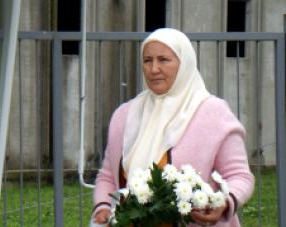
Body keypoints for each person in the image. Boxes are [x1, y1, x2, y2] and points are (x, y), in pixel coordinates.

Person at [91, 28, 255, 227]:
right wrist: (103, 207)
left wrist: (223, 203)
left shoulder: (213, 113)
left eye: (164, 59)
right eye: (147, 60)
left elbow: (240, 176)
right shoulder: (125, 115)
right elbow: (107, 175)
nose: (154, 69)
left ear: (184, 63)